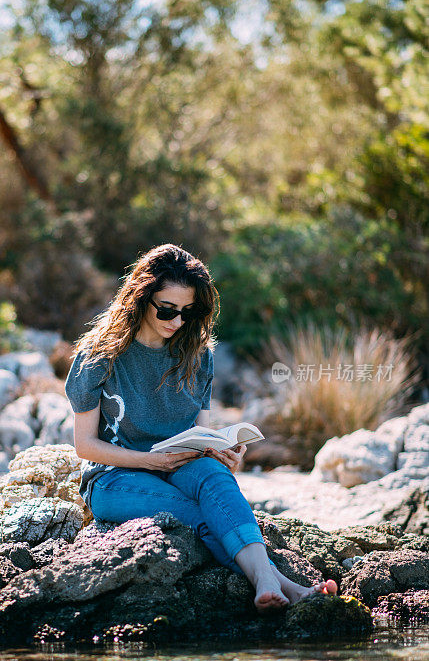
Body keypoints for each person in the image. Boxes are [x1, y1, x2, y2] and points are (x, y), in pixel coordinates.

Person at [65, 243, 337, 613]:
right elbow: (85, 446)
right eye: (167, 309)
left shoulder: (197, 353)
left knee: (217, 479)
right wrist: (150, 462)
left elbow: (201, 432)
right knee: (197, 512)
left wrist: (221, 453)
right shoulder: (99, 357)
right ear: (140, 298)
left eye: (187, 313)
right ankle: (280, 583)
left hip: (181, 466)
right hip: (114, 477)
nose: (177, 322)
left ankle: (270, 583)